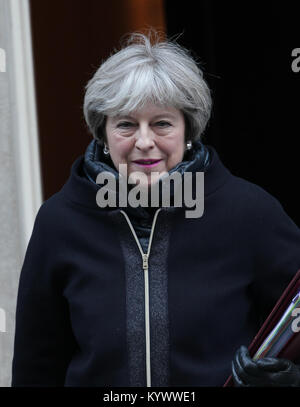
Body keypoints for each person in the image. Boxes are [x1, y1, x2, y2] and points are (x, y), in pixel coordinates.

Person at [11, 31, 300, 387]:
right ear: (102, 134)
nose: (144, 142)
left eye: (162, 123)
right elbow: (35, 368)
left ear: (188, 128)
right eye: (126, 124)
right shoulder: (59, 222)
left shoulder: (251, 214)